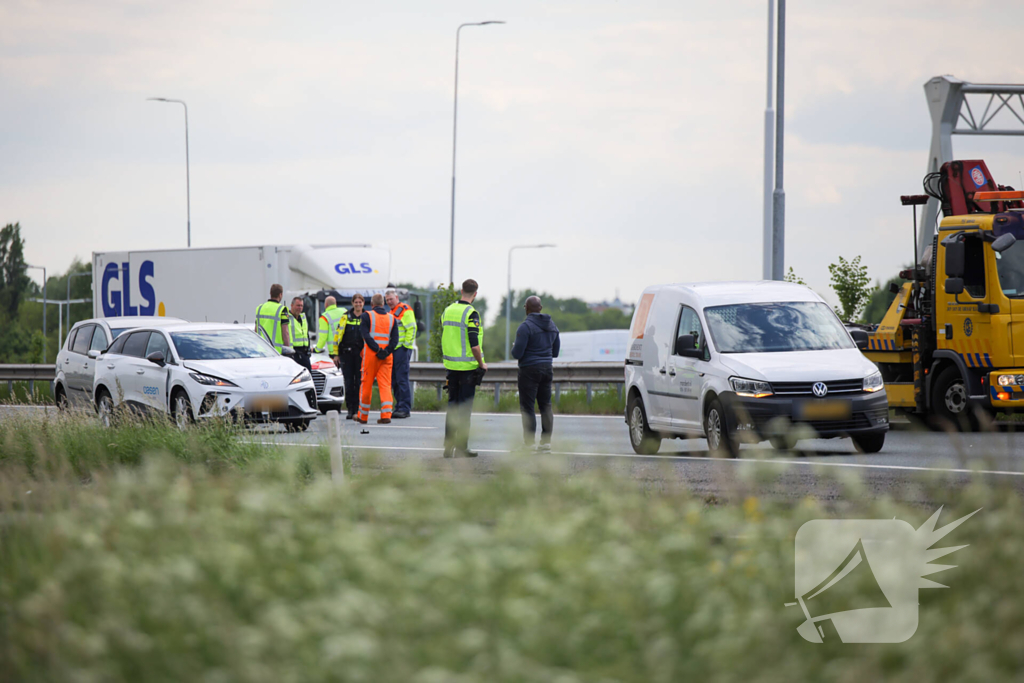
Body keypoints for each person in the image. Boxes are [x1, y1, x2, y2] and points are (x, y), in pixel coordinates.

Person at [441, 279, 487, 458]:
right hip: (467, 368)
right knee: (465, 411)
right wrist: (482, 363)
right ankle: (461, 447)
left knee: (452, 407)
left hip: (451, 367)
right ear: (475, 294)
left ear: (461, 291)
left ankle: (447, 447)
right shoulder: (471, 313)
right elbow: (475, 345)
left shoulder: (447, 310)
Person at [511, 295, 560, 452]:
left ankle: (529, 444)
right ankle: (546, 443)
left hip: (529, 370)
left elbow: (517, 353)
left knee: (527, 407)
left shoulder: (525, 327)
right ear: (540, 308)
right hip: (547, 369)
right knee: (546, 405)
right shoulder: (552, 326)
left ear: (526, 308)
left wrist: (515, 346)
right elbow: (556, 352)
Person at [356, 293, 399, 425]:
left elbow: (365, 336)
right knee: (385, 385)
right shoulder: (392, 318)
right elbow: (395, 340)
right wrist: (386, 351)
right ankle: (386, 414)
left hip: (371, 355)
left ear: (372, 305)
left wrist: (377, 349)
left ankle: (363, 417)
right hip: (386, 357)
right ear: (383, 304)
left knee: (366, 384)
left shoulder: (367, 316)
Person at [385, 288, 417, 419]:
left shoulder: (404, 309)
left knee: (401, 379)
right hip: (395, 349)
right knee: (395, 380)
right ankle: (399, 406)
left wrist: (406, 346)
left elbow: (412, 327)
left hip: (402, 349)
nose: (390, 302)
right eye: (387, 300)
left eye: (391, 299)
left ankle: (404, 408)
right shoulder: (392, 312)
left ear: (397, 298)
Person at [333, 293, 366, 419]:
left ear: (363, 303)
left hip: (361, 355)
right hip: (346, 354)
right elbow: (337, 336)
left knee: (359, 382)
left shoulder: (366, 316)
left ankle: (358, 409)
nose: (358, 304)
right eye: (356, 302)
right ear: (353, 303)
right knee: (348, 382)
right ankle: (350, 409)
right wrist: (335, 354)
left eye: (360, 302)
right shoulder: (346, 317)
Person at [255, 284, 290, 353]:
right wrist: (288, 349)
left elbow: (256, 330)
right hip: (275, 351)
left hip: (260, 350)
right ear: (280, 295)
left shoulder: (259, 308)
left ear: (270, 293)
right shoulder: (282, 309)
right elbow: (285, 333)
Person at [288, 296, 311, 372]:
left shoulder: (303, 317)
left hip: (304, 352)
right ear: (292, 305)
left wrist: (308, 349)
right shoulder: (287, 318)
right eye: (298, 305)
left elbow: (306, 335)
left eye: (301, 306)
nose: (300, 308)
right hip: (294, 352)